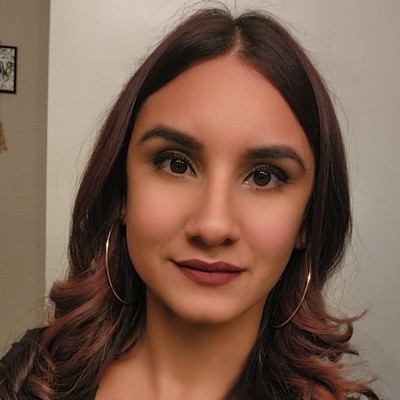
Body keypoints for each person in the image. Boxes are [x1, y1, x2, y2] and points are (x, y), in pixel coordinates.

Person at [0, 7, 380, 400]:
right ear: (122, 192)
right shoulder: (30, 376)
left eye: (264, 176)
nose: (213, 225)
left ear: (308, 220)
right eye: (176, 164)